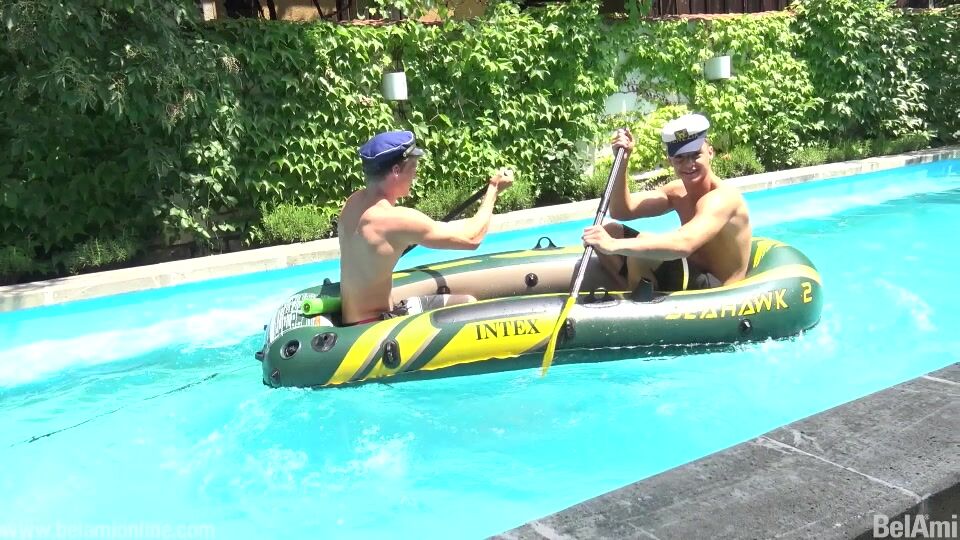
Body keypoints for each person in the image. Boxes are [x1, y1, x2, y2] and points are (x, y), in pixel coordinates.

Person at [338, 130, 514, 325]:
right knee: (468, 306)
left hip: (355, 319)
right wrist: (493, 190)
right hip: (374, 326)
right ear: (396, 171)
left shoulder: (353, 202)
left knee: (465, 301)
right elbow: (472, 239)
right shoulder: (394, 219)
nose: (416, 175)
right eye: (413, 167)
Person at [581, 114, 752, 292]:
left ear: (710, 152)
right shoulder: (677, 192)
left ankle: (636, 302)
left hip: (718, 288)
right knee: (610, 230)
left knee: (641, 254)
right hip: (689, 272)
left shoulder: (722, 198)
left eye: (695, 155)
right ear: (670, 160)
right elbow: (622, 211)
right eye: (680, 158)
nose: (689, 164)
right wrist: (623, 160)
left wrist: (612, 245)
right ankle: (627, 293)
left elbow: (685, 243)